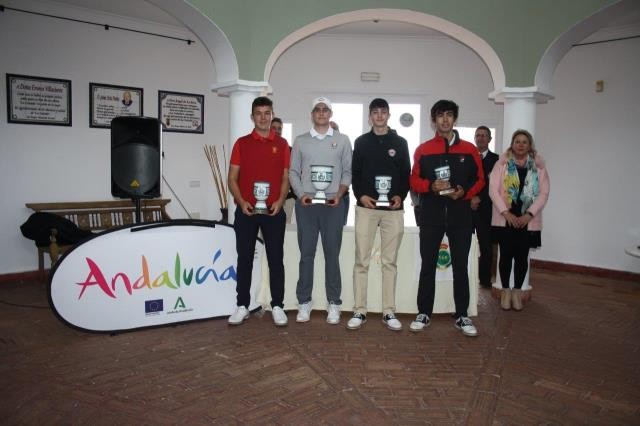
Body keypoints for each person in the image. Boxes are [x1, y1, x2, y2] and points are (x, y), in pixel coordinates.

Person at [409, 100, 484, 337]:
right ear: (434, 120)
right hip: (430, 216)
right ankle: (424, 313)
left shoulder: (470, 149)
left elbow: (480, 179)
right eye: (440, 116)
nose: (445, 120)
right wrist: (430, 186)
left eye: (449, 115)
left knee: (461, 266)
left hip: (460, 216)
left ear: (455, 119)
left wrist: (465, 193)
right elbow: (413, 180)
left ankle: (462, 315)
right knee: (427, 266)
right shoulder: (423, 149)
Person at [347, 98, 410, 331]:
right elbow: (355, 173)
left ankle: (388, 311)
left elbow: (406, 174)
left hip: (393, 211)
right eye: (375, 112)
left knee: (389, 262)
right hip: (366, 209)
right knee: (361, 260)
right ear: (370, 116)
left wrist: (400, 196)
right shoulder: (361, 142)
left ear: (389, 115)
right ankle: (359, 310)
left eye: (383, 112)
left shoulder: (401, 142)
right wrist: (361, 195)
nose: (380, 116)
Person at [227, 96, 290, 327]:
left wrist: (281, 200)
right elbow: (232, 178)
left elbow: (285, 177)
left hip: (274, 211)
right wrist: (241, 201)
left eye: (267, 113)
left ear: (272, 114)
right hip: (246, 211)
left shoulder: (282, 145)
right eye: (258, 113)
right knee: (244, 259)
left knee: (276, 259)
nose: (263, 117)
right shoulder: (241, 143)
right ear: (252, 116)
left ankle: (277, 306)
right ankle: (242, 305)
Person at [289, 97, 352, 325]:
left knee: (332, 255)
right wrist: (300, 193)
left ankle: (334, 303)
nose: (322, 113)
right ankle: (304, 302)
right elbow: (293, 172)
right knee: (306, 255)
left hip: (333, 205)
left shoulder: (343, 140)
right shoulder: (300, 141)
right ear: (312, 114)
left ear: (331, 114)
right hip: (306, 204)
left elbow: (347, 172)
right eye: (318, 109)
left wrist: (339, 194)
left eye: (326, 109)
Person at [489, 129, 550, 311]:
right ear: (512, 144)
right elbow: (493, 190)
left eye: (525, 142)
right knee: (505, 256)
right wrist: (506, 213)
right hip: (505, 218)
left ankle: (517, 292)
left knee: (522, 258)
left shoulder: (538, 167)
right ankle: (506, 291)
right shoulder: (502, 165)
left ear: (530, 145)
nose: (521, 145)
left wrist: (528, 214)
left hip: (527, 220)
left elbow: (544, 193)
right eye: (517, 141)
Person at [471, 126, 499, 288]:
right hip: (466, 209)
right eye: (478, 135)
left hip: (486, 210)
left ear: (489, 139)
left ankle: (485, 280)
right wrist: (469, 198)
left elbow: (496, 186)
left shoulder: (497, 160)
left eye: (484, 136)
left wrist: (479, 198)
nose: (480, 138)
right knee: (463, 246)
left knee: (486, 248)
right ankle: (465, 277)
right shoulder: (467, 157)